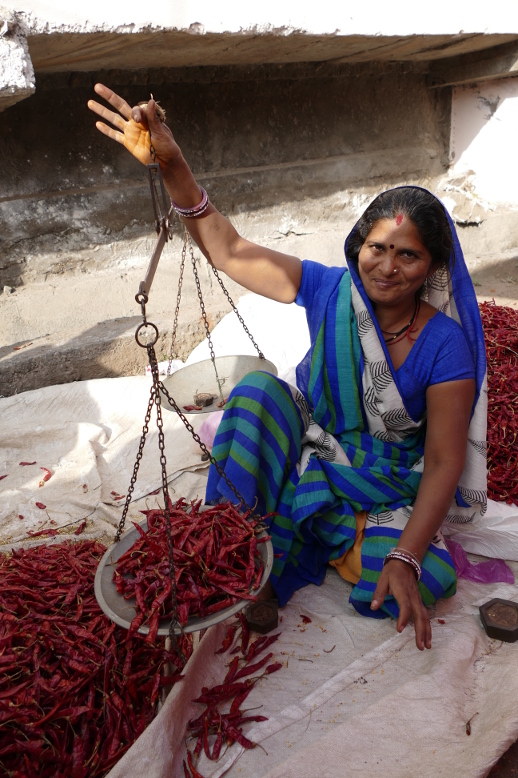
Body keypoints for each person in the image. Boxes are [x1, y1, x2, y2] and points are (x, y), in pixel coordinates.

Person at [88, 85, 487, 651]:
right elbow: (229, 251)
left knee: (426, 575)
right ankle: (234, 553)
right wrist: (174, 164)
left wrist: (405, 553)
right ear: (357, 248)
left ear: (432, 267)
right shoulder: (329, 289)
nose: (387, 267)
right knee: (256, 395)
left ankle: (292, 535)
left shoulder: (445, 344)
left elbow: (445, 460)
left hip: (379, 478)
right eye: (377, 247)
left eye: (408, 255)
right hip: (312, 443)